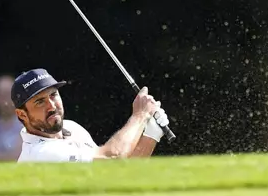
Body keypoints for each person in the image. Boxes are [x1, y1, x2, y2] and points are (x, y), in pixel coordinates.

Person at [12, 68, 169, 162]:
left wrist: (151, 134)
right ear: (22, 114)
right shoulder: (40, 154)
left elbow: (120, 173)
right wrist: (140, 115)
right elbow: (112, 157)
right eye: (40, 102)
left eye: (53, 95)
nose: (51, 106)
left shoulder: (72, 128)